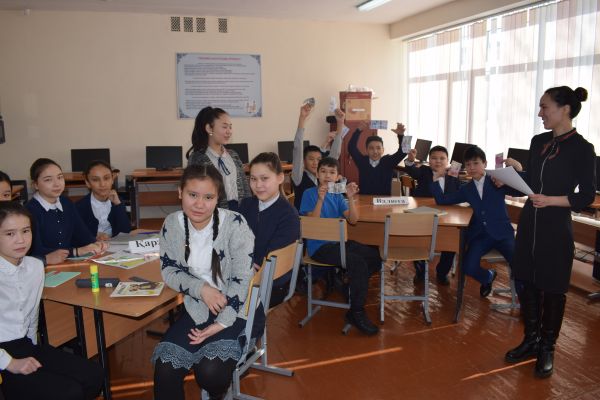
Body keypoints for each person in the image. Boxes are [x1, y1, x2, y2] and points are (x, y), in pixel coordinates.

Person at [504, 86, 596, 378]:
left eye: (545, 107)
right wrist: (509, 178)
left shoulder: (582, 149)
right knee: (526, 280)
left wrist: (551, 200)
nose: (540, 113)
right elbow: (532, 181)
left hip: (555, 225)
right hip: (530, 222)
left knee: (553, 287)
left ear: (564, 109)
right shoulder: (539, 141)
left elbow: (586, 196)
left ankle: (547, 347)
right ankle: (530, 339)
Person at [152, 164, 263, 400]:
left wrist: (222, 323)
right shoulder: (172, 224)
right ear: (180, 192)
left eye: (208, 197)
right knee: (165, 369)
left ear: (218, 198)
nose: (199, 204)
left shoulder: (235, 223)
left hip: (238, 308)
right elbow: (169, 270)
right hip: (198, 308)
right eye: (192, 195)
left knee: (210, 372)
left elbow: (242, 279)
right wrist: (202, 289)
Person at [0, 201, 104, 400]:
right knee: (68, 392)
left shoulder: (34, 266)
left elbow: (32, 315)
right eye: (10, 234)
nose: (21, 240)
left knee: (93, 375)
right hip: (2, 354)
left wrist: (33, 350)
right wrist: (10, 363)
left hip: (24, 344)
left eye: (26, 231)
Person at [299, 157, 381, 336]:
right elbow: (312, 224)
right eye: (323, 171)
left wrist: (350, 198)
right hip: (319, 247)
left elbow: (353, 220)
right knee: (357, 263)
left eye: (332, 172)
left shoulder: (337, 195)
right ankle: (356, 312)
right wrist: (320, 199)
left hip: (338, 243)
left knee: (375, 257)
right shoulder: (309, 193)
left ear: (338, 177)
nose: (327, 176)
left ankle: (351, 288)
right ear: (317, 174)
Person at [430, 146, 516, 297]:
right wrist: (436, 178)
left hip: (503, 235)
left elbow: (521, 190)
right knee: (468, 267)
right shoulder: (467, 189)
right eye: (468, 164)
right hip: (480, 236)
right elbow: (443, 200)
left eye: (476, 163)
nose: (472, 167)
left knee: (520, 267)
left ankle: (526, 301)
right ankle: (488, 276)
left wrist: (516, 169)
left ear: (485, 163)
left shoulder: (497, 181)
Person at [239, 152, 300, 307]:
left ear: (280, 178)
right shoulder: (246, 205)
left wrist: (245, 264)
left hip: (271, 283)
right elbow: (234, 241)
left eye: (264, 178)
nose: (258, 185)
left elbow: (269, 261)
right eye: (253, 179)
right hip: (245, 274)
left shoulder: (288, 215)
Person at [25, 158, 107, 265]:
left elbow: (82, 234)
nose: (57, 184)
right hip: (44, 268)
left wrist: (96, 243)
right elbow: (36, 251)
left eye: (60, 177)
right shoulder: (30, 211)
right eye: (48, 180)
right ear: (35, 185)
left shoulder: (66, 203)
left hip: (68, 263)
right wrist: (76, 251)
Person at [404, 145, 461, 285]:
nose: (438, 161)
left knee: (451, 243)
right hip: (423, 215)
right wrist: (410, 161)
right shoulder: (424, 171)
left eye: (442, 158)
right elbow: (412, 171)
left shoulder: (453, 174)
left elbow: (459, 193)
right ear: (429, 160)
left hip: (446, 217)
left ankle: (442, 272)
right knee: (418, 242)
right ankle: (420, 271)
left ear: (448, 161)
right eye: (434, 158)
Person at [186, 106, 251, 210]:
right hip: (213, 212)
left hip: (240, 211)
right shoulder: (197, 158)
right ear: (209, 128)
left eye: (230, 127)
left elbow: (245, 187)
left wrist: (249, 209)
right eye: (224, 127)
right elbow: (195, 192)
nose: (229, 131)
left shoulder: (233, 155)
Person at [291, 104, 345, 210]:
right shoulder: (299, 177)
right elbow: (298, 149)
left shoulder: (323, 176)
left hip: (323, 216)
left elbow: (334, 155)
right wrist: (302, 118)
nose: (315, 163)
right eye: (311, 159)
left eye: (319, 160)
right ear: (303, 162)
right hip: (305, 218)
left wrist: (340, 123)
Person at [75, 160, 131, 240]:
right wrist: (94, 235)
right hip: (91, 245)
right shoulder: (79, 207)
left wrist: (118, 205)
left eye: (106, 178)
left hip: (115, 245)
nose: (102, 184)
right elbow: (77, 234)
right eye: (95, 180)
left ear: (112, 179)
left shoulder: (118, 201)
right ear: (88, 183)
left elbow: (125, 232)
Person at [347, 121, 407, 195]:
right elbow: (351, 147)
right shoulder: (362, 161)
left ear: (383, 150)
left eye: (378, 148)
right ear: (366, 150)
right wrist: (358, 131)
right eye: (371, 148)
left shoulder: (388, 161)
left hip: (383, 200)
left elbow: (404, 152)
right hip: (364, 199)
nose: (375, 151)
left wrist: (401, 136)